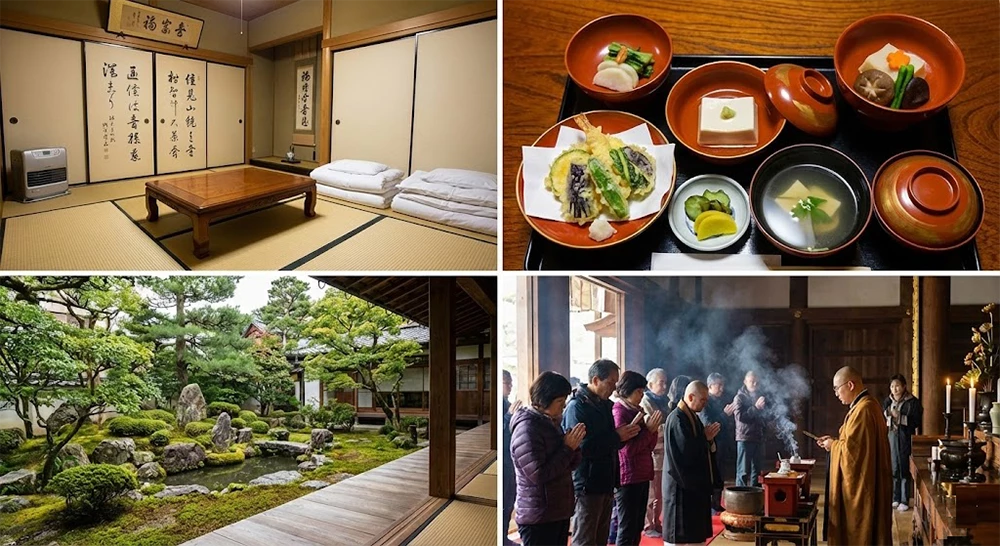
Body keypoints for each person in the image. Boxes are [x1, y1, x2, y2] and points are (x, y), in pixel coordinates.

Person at [563, 359, 641, 546]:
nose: (614, 388)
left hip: (606, 480)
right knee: (585, 538)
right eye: (611, 382)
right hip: (588, 483)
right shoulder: (577, 406)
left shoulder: (606, 404)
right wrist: (617, 437)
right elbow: (582, 447)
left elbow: (612, 441)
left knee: (601, 538)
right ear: (596, 380)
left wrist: (625, 437)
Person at [816, 366, 892, 546]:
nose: (836, 394)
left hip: (863, 486)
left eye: (837, 388)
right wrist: (834, 442)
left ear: (850, 385)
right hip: (871, 479)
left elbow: (853, 454)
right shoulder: (866, 405)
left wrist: (833, 446)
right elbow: (855, 444)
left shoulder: (864, 410)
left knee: (858, 531)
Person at [510, 371, 584, 546]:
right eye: (560, 401)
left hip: (556, 510)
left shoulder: (550, 421)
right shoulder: (527, 428)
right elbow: (538, 475)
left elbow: (569, 465)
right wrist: (567, 448)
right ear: (544, 400)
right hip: (539, 515)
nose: (564, 406)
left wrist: (574, 447)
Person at [662, 381, 722, 546]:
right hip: (681, 488)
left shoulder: (692, 417)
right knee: (680, 538)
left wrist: (708, 441)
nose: (705, 403)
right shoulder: (677, 419)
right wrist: (705, 439)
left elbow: (698, 445)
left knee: (694, 536)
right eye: (703, 400)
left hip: (694, 488)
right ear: (690, 397)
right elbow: (685, 452)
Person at [612, 371, 664, 546]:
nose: (642, 396)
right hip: (628, 476)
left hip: (642, 472)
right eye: (639, 392)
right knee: (627, 527)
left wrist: (651, 430)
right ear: (628, 390)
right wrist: (648, 430)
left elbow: (649, 445)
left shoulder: (637, 410)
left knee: (636, 527)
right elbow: (628, 450)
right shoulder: (620, 412)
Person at [882, 373, 922, 512]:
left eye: (898, 386)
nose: (895, 389)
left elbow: (916, 421)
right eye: (892, 386)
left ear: (904, 386)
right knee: (893, 468)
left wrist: (899, 417)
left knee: (904, 467)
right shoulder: (887, 401)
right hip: (891, 436)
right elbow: (883, 418)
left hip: (905, 437)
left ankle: (905, 499)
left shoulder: (913, 402)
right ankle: (895, 498)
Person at [699, 373, 736, 513]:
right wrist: (724, 415)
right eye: (718, 385)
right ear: (710, 386)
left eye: (722, 385)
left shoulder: (721, 400)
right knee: (712, 474)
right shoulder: (705, 402)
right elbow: (709, 424)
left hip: (723, 443)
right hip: (712, 445)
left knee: (720, 474)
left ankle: (716, 502)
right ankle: (710, 504)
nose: (722, 388)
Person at [640, 368, 669, 538]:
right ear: (650, 384)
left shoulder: (663, 401)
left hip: (664, 455)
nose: (664, 386)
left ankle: (657, 522)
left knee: (660, 493)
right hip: (654, 456)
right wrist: (670, 427)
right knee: (652, 494)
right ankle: (648, 524)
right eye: (661, 382)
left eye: (666, 382)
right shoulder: (646, 403)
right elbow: (652, 428)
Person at [733, 370, 767, 487]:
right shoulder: (739, 398)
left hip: (758, 437)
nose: (754, 384)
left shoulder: (759, 396)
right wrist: (756, 407)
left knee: (756, 471)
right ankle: (741, 500)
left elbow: (764, 416)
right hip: (744, 438)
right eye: (752, 381)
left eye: (757, 382)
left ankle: (755, 497)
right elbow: (740, 417)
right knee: (743, 471)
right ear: (745, 381)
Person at [501, 370, 521, 546]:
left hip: (511, 461)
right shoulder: (501, 406)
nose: (510, 386)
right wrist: (509, 416)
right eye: (507, 382)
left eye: (510, 382)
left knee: (509, 501)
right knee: (505, 500)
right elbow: (499, 435)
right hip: (503, 463)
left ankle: (504, 537)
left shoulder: (507, 404)